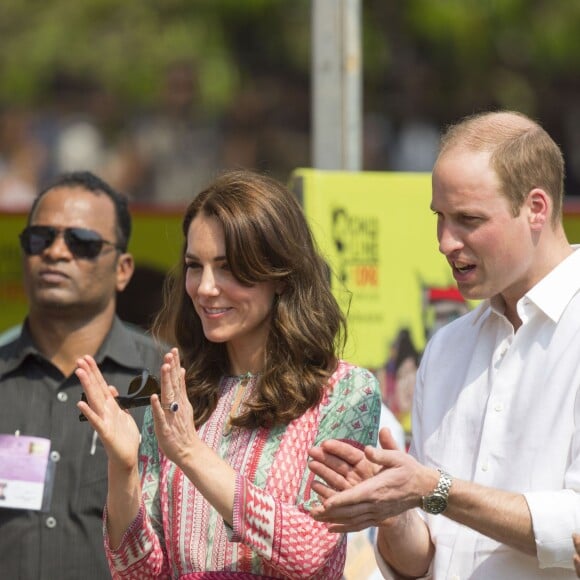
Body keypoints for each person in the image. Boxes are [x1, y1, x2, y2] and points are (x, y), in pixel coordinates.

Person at [308, 110, 580, 578]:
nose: (444, 242)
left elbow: (574, 537)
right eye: (440, 217)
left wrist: (436, 489)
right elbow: (427, 558)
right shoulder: (447, 347)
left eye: (468, 219)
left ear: (537, 208)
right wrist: (392, 511)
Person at [76, 169, 382, 578]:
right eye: (194, 266)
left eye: (227, 268)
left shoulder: (343, 391)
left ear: (280, 275)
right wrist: (123, 468)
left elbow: (310, 551)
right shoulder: (177, 394)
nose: (205, 288)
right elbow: (137, 573)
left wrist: (191, 454)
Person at [0, 170, 165, 579]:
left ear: (123, 269)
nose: (56, 252)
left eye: (83, 243)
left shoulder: (166, 384)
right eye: (40, 238)